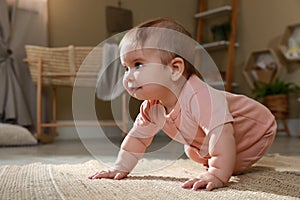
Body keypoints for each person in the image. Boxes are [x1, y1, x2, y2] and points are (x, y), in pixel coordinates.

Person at [89, 18, 277, 191]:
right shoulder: (151, 107)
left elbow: (221, 132)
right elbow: (137, 139)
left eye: (138, 65)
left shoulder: (199, 96)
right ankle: (224, 159)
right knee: (192, 152)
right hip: (214, 140)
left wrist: (217, 173)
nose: (128, 76)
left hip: (255, 131)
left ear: (175, 69)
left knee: (223, 160)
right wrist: (119, 167)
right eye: (126, 68)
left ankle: (225, 162)